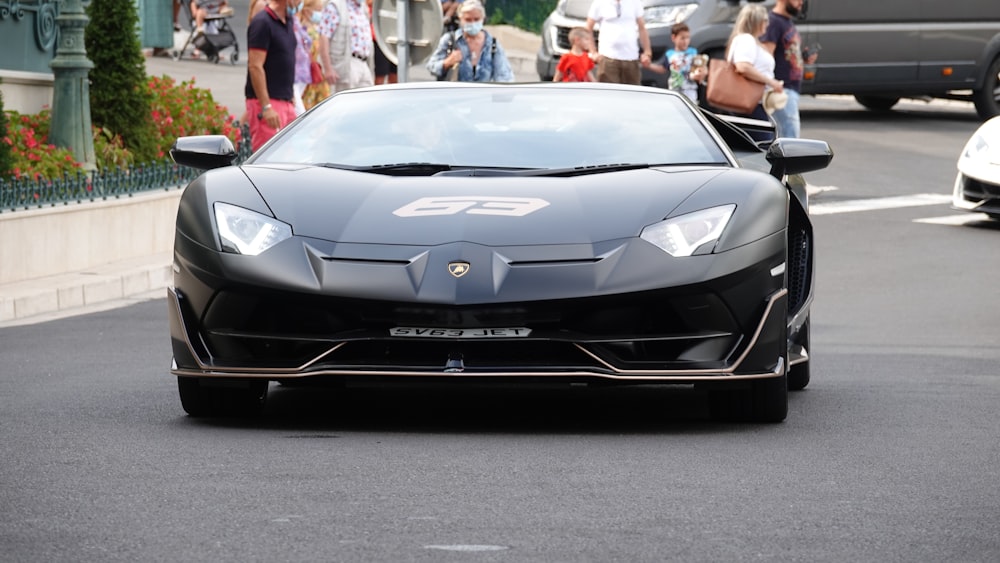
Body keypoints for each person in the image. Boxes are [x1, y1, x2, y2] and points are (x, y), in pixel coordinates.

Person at [245, 0, 298, 152]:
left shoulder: (287, 21)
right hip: (269, 102)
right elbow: (255, 66)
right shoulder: (263, 22)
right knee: (269, 158)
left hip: (285, 100)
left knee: (288, 156)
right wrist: (266, 106)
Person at [760, 0, 817, 138]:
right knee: (790, 142)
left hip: (790, 89)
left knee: (788, 140)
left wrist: (803, 59)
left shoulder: (787, 22)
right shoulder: (773, 21)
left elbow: (785, 53)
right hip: (781, 89)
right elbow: (766, 57)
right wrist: (772, 85)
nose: (801, 3)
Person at [726, 3, 784, 133]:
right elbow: (743, 66)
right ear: (756, 22)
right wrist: (771, 82)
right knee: (763, 145)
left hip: (752, 102)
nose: (767, 24)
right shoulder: (747, 40)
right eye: (765, 21)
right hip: (751, 103)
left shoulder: (746, 40)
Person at [425, 1, 514, 83]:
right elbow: (431, 66)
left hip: (482, 98)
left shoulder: (492, 45)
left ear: (483, 19)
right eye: (468, 19)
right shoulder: (450, 40)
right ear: (460, 19)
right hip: (454, 97)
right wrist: (447, 62)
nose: (472, 23)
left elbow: (504, 76)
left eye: (476, 19)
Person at [585, 0, 652, 85]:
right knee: (609, 93)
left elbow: (642, 27)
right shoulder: (599, 2)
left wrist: (647, 52)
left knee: (632, 94)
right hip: (608, 58)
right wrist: (593, 52)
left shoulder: (635, 2)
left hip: (631, 58)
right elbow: (588, 28)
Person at [318, 0, 375, 92]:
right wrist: (328, 68)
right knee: (346, 103)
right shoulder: (335, 6)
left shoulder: (362, 7)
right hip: (347, 64)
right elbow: (324, 37)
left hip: (364, 63)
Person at [644, 22, 707, 102]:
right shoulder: (670, 54)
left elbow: (700, 67)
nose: (686, 41)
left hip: (690, 89)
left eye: (688, 38)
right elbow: (663, 68)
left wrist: (700, 74)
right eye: (682, 38)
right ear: (674, 38)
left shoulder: (693, 53)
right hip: (674, 90)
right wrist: (649, 65)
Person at [301, 0, 331, 109]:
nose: (321, 14)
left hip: (319, 74)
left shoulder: (319, 29)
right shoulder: (304, 30)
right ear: (307, 11)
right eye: (318, 10)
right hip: (310, 75)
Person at [367, 0, 397, 84]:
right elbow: (367, 3)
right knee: (381, 75)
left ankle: (393, 96)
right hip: (379, 37)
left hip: (395, 35)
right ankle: (378, 96)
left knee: (395, 75)